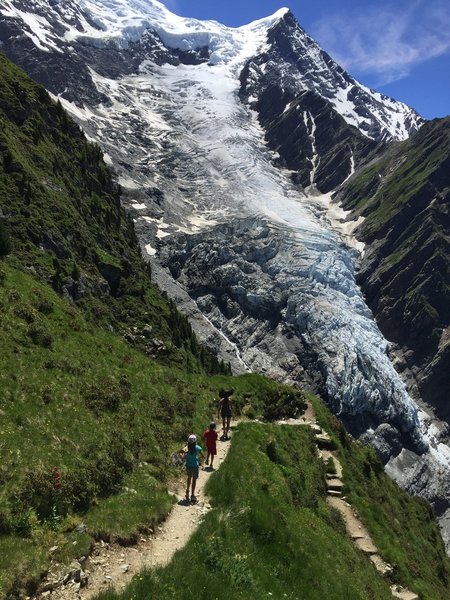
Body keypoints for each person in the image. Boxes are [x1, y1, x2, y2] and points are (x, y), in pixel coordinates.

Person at [183, 434, 204, 503]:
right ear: (195, 442)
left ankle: (187, 491)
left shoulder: (186, 448)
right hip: (195, 466)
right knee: (194, 480)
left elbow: (183, 457)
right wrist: (202, 459)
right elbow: (202, 455)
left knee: (189, 478)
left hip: (188, 465)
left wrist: (186, 457)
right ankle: (192, 495)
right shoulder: (197, 447)